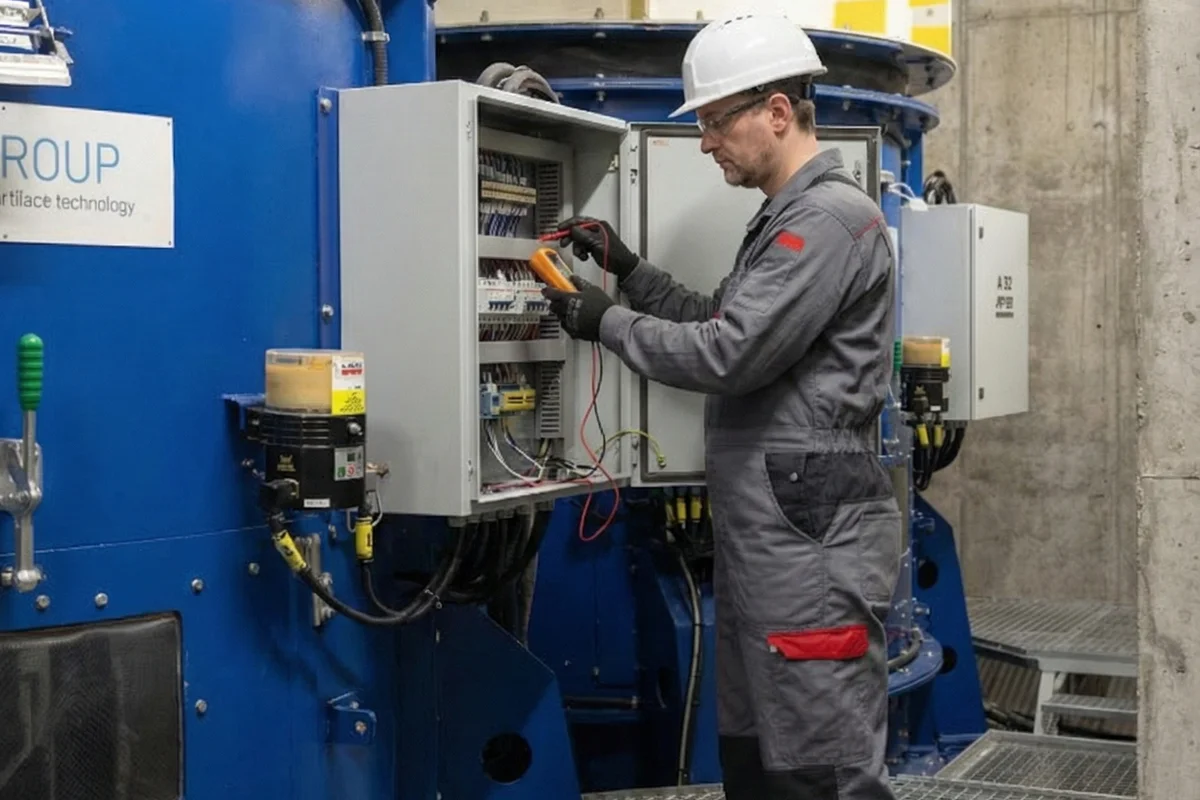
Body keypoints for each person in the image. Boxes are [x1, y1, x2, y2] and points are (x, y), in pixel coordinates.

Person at [541, 13, 902, 800]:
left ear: (777, 113)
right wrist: (630, 272)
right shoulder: (783, 221)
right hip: (773, 530)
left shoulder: (828, 221)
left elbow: (728, 353)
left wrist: (605, 322)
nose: (704, 142)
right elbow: (716, 317)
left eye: (712, 121)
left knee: (820, 761)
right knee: (761, 757)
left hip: (811, 539)